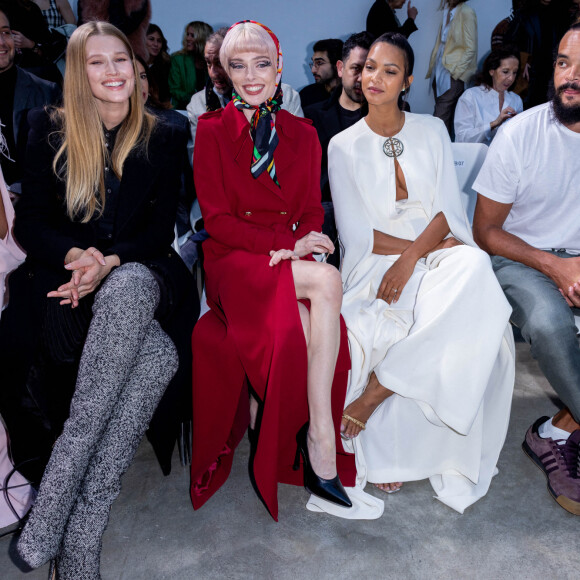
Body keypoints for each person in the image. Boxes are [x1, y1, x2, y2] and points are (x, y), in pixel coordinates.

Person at [0, 21, 196, 576]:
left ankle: (56, 503)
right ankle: (82, 533)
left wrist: (107, 261)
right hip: (64, 273)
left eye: (122, 60)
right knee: (157, 356)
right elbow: (32, 224)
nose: (113, 72)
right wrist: (76, 258)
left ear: (137, 69)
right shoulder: (44, 125)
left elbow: (161, 231)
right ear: (77, 73)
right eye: (96, 62)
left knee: (131, 283)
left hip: (142, 268)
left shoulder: (167, 130)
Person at [329, 33, 514, 511]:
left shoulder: (431, 129)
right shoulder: (341, 145)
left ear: (407, 81)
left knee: (474, 265)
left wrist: (414, 258)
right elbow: (358, 235)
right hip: (374, 265)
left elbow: (449, 214)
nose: (375, 77)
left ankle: (381, 387)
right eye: (369, 67)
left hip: (436, 252)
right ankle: (395, 443)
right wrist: (411, 254)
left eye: (390, 71)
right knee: (438, 297)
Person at [191, 20, 358, 521]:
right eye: (237, 65)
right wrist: (286, 246)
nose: (250, 75)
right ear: (223, 71)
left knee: (306, 321)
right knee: (327, 279)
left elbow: (311, 210)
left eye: (261, 63)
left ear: (279, 66)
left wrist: (299, 244)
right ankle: (321, 439)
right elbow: (216, 223)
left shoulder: (305, 135)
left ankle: (295, 431)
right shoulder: (210, 131)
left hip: (288, 260)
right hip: (234, 262)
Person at [472, 24, 580, 516]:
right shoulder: (520, 133)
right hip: (521, 256)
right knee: (549, 324)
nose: (569, 77)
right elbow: (486, 231)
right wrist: (553, 266)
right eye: (562, 62)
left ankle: (555, 431)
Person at [304, 31, 374, 268]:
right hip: (329, 208)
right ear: (341, 68)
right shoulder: (312, 115)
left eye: (370, 69)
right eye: (357, 68)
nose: (362, 78)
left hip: (375, 208)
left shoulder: (391, 115)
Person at [186, 27, 303, 156]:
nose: (213, 73)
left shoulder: (285, 96)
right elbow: (199, 158)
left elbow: (299, 149)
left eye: (219, 63)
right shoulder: (198, 103)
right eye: (208, 63)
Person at [0, 7, 61, 191]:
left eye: (5, 32)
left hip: (29, 206)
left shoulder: (47, 92)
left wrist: (21, 191)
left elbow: (60, 162)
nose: (2, 42)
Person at [426, 0, 478, 136]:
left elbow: (470, 48)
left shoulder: (466, 12)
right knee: (445, 120)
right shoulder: (446, 11)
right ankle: (446, 153)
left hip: (452, 74)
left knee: (439, 119)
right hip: (439, 70)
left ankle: (435, 153)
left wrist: (457, 73)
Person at [454, 46, 523, 145]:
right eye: (505, 72)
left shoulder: (516, 100)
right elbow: (462, 138)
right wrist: (493, 124)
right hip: (477, 159)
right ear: (491, 71)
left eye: (515, 73)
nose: (511, 78)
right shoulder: (471, 96)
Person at [169, 20, 212, 109]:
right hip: (183, 110)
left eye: (192, 35)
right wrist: (197, 100)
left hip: (207, 111)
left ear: (202, 38)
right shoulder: (178, 59)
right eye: (187, 34)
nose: (188, 38)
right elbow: (174, 90)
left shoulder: (210, 61)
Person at [299, 38, 343, 109]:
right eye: (313, 63)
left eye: (319, 63)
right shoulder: (306, 95)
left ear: (338, 65)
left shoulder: (353, 95)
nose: (313, 70)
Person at [145, 22, 171, 106]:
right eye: (151, 39)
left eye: (159, 41)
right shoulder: (133, 63)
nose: (156, 44)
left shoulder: (166, 66)